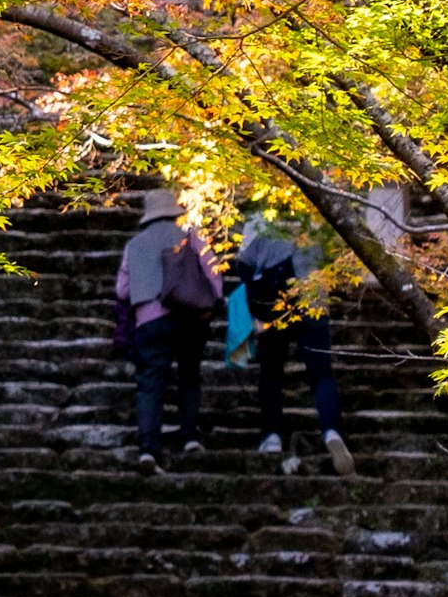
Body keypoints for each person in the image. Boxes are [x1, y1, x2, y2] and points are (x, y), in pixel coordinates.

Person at [114, 188, 219, 466]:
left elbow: (122, 291)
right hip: (190, 317)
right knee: (189, 375)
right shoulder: (192, 238)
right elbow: (213, 276)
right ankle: (189, 437)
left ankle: (148, 447)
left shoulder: (134, 245)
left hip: (150, 319)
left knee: (151, 383)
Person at [232, 209, 347, 456]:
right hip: (313, 301)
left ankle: (271, 435)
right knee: (322, 374)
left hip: (274, 304)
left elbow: (244, 263)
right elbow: (338, 260)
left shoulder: (261, 216)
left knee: (271, 372)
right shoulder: (319, 212)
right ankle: (331, 430)